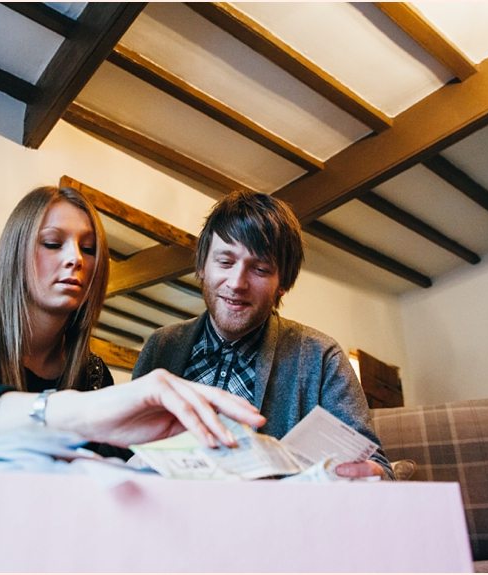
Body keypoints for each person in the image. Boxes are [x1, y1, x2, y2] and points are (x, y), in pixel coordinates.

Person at [0, 185, 265, 452]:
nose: (75, 258)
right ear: (17, 253)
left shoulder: (92, 373)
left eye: (89, 249)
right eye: (53, 243)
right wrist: (67, 413)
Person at [133, 190, 393, 479]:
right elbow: (123, 452)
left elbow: (379, 468)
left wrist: (371, 474)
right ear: (202, 265)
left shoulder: (321, 356)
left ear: (283, 283)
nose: (237, 283)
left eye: (260, 268)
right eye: (225, 262)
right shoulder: (161, 346)